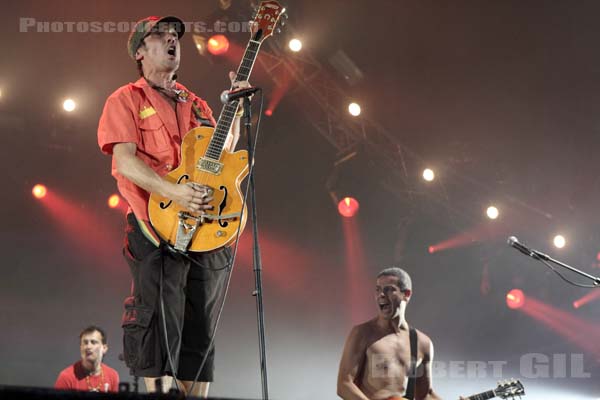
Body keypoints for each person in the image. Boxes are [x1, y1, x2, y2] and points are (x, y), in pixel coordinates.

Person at [97, 16, 248, 396]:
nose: (171, 40)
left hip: (203, 227)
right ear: (139, 51)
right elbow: (125, 162)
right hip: (154, 225)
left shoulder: (195, 104)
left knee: (201, 324)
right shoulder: (125, 99)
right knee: (160, 321)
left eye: (175, 36)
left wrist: (236, 114)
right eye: (160, 36)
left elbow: (220, 155)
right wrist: (174, 192)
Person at [337, 267, 442, 400]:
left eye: (388, 289)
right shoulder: (363, 333)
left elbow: (425, 394)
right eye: (378, 289)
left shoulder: (423, 343)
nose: (381, 294)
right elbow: (344, 384)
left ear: (407, 294)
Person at [55, 326, 120, 392]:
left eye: (93, 342)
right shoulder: (66, 377)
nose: (88, 347)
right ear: (80, 347)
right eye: (85, 343)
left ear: (104, 348)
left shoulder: (112, 376)